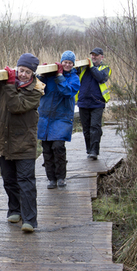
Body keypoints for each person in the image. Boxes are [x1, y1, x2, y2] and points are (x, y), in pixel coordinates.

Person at [0, 53, 45, 232]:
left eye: (27, 71)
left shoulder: (37, 90)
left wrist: (10, 85)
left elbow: (16, 106)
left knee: (26, 182)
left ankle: (30, 220)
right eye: (21, 70)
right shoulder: (7, 84)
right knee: (9, 180)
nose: (23, 74)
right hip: (3, 140)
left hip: (24, 142)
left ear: (33, 73)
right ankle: (14, 210)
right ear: (17, 68)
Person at [36, 51, 80, 189]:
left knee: (58, 147)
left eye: (70, 63)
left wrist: (60, 76)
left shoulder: (74, 78)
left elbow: (67, 92)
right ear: (61, 62)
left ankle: (61, 177)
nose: (67, 64)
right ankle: (51, 179)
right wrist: (41, 75)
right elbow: (36, 88)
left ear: (73, 64)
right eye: (65, 62)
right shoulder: (50, 76)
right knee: (47, 149)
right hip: (45, 117)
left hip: (62, 118)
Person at [76, 47, 111, 160]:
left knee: (95, 127)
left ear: (102, 57)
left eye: (96, 55)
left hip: (97, 103)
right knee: (86, 128)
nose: (93, 57)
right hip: (83, 102)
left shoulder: (105, 68)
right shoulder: (83, 68)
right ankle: (89, 149)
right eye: (92, 55)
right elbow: (72, 73)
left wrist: (91, 66)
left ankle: (94, 151)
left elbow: (101, 78)